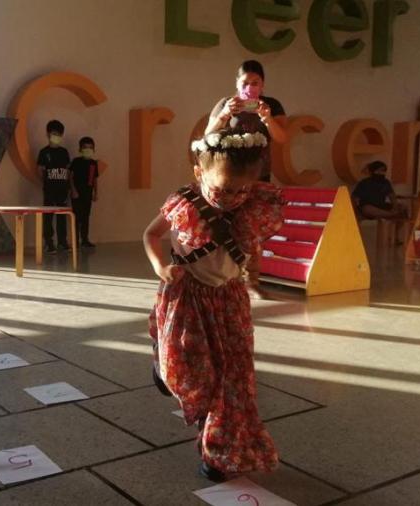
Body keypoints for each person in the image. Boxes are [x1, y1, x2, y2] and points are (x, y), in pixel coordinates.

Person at [143, 129, 283, 482]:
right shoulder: (184, 203)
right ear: (199, 173)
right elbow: (151, 235)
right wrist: (161, 266)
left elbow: (251, 248)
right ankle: (163, 367)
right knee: (188, 371)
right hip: (188, 295)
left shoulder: (251, 206)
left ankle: (218, 452)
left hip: (230, 300)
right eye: (224, 189)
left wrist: (252, 278)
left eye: (241, 190)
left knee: (231, 381)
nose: (233, 198)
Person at [205, 60, 287, 182]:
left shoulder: (271, 105)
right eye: (244, 83)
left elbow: (282, 138)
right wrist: (224, 114)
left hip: (260, 173)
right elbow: (207, 135)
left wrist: (268, 119)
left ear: (262, 85)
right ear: (237, 84)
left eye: (255, 83)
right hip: (229, 172)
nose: (249, 88)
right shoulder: (226, 103)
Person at [37, 119, 72, 253]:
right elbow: (40, 169)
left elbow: (68, 170)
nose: (56, 136)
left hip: (62, 189)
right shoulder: (44, 152)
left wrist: (68, 186)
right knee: (48, 216)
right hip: (49, 189)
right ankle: (48, 242)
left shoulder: (64, 152)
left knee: (61, 216)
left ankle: (62, 242)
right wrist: (44, 182)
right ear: (48, 134)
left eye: (59, 134)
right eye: (53, 133)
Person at [70, 136, 100, 248]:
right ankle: (75, 241)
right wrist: (73, 190)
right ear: (80, 149)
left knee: (86, 217)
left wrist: (95, 193)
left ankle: (85, 240)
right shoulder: (76, 161)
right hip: (77, 194)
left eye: (90, 148)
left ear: (93, 150)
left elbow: (95, 179)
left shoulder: (93, 163)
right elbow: (71, 177)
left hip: (88, 194)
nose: (88, 150)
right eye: (85, 147)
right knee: (76, 218)